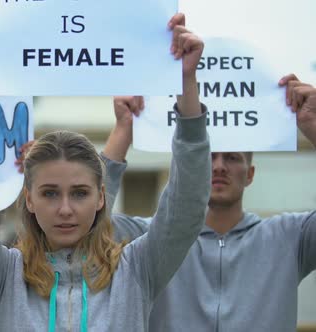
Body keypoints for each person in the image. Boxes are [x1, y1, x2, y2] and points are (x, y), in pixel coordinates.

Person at [0, 13, 211, 331]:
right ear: (30, 199)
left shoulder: (136, 269)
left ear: (101, 197)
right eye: (50, 193)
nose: (65, 209)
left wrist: (186, 84)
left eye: (79, 193)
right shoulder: (4, 274)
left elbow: (186, 208)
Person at [101, 75, 316, 331]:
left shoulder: (290, 237)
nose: (219, 167)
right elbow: (91, 223)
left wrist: (313, 126)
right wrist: (123, 130)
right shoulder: (150, 239)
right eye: (209, 156)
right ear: (189, 164)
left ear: (250, 174)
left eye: (233, 157)